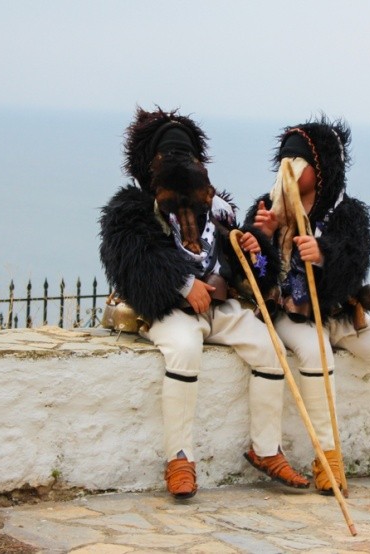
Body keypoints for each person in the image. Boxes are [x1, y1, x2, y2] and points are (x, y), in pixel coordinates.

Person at [99, 106, 308, 499]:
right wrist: (182, 284)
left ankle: (266, 450)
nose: (179, 164)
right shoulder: (132, 208)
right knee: (183, 349)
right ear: (151, 162)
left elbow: (248, 269)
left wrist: (253, 246)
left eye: (187, 156)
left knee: (270, 349)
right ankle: (179, 458)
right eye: (169, 156)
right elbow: (133, 261)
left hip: (219, 307)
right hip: (168, 309)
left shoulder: (217, 209)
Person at [247, 115, 370, 495]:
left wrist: (323, 254)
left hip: (339, 311)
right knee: (318, 355)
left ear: (321, 169)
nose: (290, 168)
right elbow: (254, 275)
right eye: (286, 161)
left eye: (299, 162)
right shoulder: (268, 208)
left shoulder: (347, 213)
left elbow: (355, 265)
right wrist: (264, 238)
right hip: (290, 313)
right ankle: (328, 457)